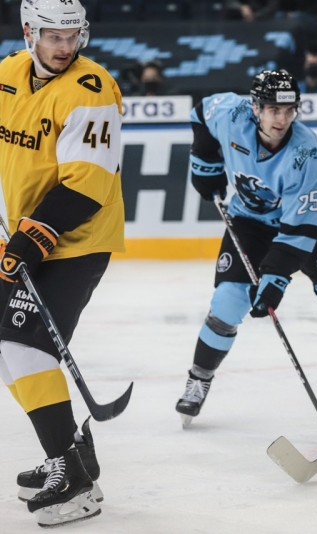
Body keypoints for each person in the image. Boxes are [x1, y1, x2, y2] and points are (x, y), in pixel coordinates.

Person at [175, 69, 317, 425]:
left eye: (288, 110)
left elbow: (299, 226)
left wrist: (275, 279)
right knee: (227, 304)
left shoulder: (305, 151)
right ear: (255, 108)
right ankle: (198, 379)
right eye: (272, 109)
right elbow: (201, 112)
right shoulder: (231, 114)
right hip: (251, 221)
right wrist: (204, 164)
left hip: (314, 225)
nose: (281, 119)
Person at [0, 0, 124, 527]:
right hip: (26, 231)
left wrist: (29, 238)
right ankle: (72, 449)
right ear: (29, 32)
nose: (64, 47)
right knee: (8, 344)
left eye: (73, 36)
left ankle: (73, 479)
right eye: (53, 36)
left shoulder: (92, 91)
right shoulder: (6, 72)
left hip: (77, 238)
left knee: (21, 342)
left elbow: (86, 188)